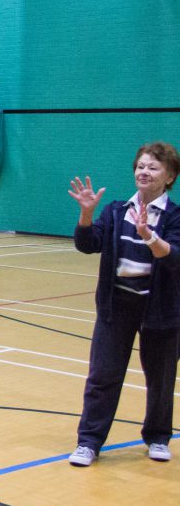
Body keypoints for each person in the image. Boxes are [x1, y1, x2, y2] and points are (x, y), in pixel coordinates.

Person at [66, 142, 180, 467]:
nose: (144, 172)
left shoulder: (175, 217)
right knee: (102, 375)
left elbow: (175, 258)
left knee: (160, 379)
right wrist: (87, 213)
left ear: (169, 176)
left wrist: (148, 235)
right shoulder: (116, 211)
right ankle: (89, 442)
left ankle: (158, 436)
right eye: (140, 166)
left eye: (153, 167)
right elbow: (88, 244)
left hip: (160, 310)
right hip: (116, 307)